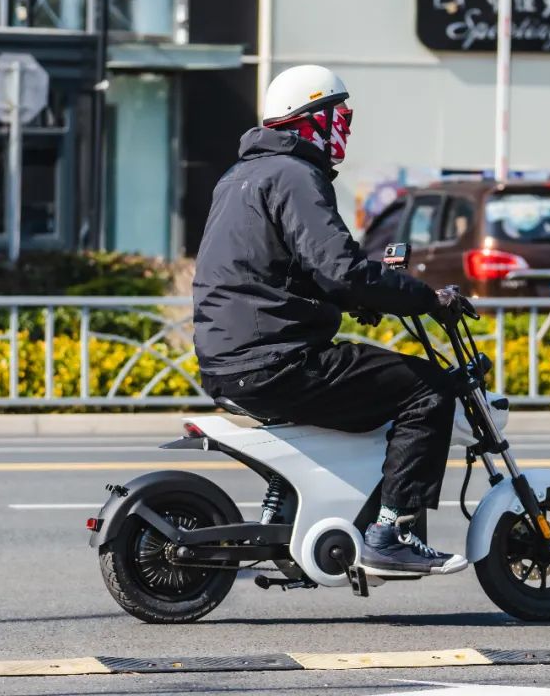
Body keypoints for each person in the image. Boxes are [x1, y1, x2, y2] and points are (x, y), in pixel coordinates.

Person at [192, 65, 466, 575]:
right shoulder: (297, 175)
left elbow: (285, 270)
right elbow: (341, 268)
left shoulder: (241, 176)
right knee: (428, 389)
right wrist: (425, 298)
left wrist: (362, 300)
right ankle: (391, 532)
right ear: (310, 119)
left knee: (370, 381)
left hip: (231, 358)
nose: (345, 127)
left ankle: (301, 506)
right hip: (278, 359)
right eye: (341, 115)